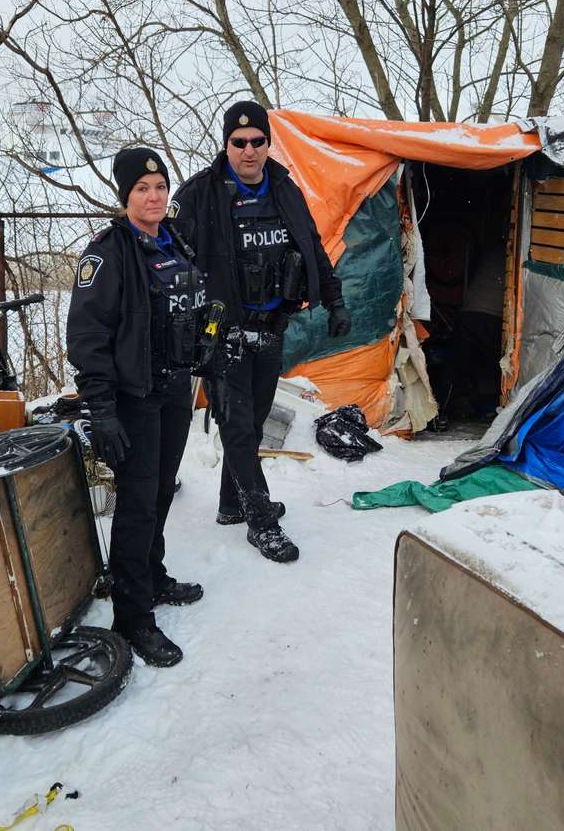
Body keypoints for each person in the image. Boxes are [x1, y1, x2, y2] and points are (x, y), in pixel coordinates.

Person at [173, 101, 351, 563]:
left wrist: (335, 301)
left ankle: (232, 505)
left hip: (272, 327)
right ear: (226, 143)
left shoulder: (285, 190)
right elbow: (171, 265)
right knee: (235, 426)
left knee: (252, 425)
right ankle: (261, 521)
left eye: (257, 142)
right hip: (222, 332)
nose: (248, 151)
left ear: (268, 143)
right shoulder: (199, 195)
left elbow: (311, 247)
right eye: (239, 142)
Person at [67, 146, 211, 668]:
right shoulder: (106, 254)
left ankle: (151, 576)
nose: (153, 197)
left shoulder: (175, 242)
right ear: (125, 195)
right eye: (141, 189)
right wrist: (100, 408)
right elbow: (86, 336)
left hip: (173, 388)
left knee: (162, 490)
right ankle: (131, 616)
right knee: (136, 501)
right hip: (133, 397)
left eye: (159, 187)